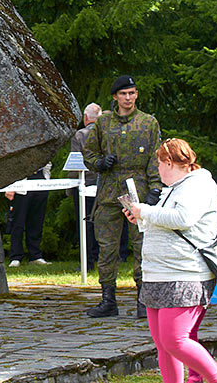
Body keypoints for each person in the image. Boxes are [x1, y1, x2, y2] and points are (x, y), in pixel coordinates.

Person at [124, 138, 217, 383]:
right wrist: (139, 219)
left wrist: (145, 211)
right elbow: (165, 222)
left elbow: (183, 218)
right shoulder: (173, 188)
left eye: (159, 164)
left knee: (175, 340)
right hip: (158, 275)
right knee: (164, 345)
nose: (157, 169)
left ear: (170, 162)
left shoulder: (198, 185)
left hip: (185, 274)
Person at [83, 75, 162, 318]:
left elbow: (155, 157)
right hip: (109, 191)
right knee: (107, 247)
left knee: (141, 246)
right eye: (123, 94)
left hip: (137, 191)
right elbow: (89, 152)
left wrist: (155, 188)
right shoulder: (103, 122)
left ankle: (142, 300)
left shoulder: (148, 123)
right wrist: (100, 163)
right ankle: (108, 299)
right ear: (115, 97)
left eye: (132, 93)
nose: (128, 98)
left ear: (136, 95)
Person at [69, 102, 102, 270]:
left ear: (85, 118)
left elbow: (75, 164)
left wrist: (71, 187)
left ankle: (87, 262)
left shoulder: (80, 136)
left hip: (84, 184)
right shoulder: (107, 135)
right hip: (103, 185)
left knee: (85, 223)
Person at [6, 162, 52, 267]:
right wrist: (11, 186)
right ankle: (15, 257)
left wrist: (46, 180)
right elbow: (12, 164)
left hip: (40, 182)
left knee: (37, 222)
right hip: (21, 185)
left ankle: (35, 256)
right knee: (18, 223)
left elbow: (48, 161)